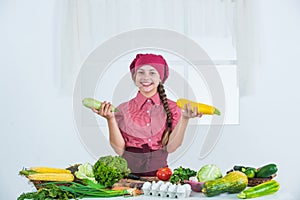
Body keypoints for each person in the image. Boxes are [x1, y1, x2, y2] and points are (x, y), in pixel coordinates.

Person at [91, 53, 202, 176]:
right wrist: (110, 119)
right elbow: (120, 150)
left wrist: (185, 119)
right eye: (141, 72)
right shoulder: (122, 109)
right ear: (134, 77)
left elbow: (171, 148)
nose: (146, 77)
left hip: (161, 177)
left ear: (161, 78)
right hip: (128, 177)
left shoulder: (173, 108)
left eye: (152, 73)